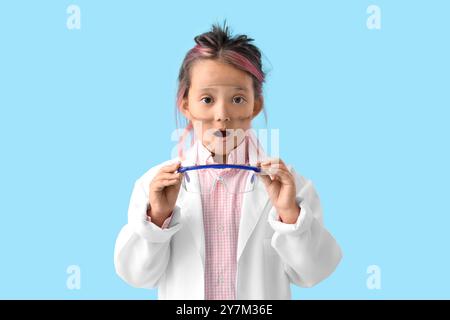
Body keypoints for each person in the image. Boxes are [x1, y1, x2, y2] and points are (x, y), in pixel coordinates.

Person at [114, 22, 342, 299]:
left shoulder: (290, 185)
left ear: (255, 105)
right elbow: (137, 276)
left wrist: (290, 216)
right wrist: (158, 219)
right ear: (186, 104)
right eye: (207, 99)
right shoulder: (154, 186)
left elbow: (312, 274)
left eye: (237, 99)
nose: (222, 114)